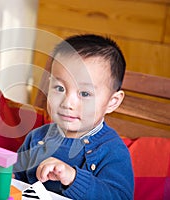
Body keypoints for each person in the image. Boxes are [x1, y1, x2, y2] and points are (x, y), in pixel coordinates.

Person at [13, 34, 134, 200]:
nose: (67, 103)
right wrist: (1, 175)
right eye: (59, 88)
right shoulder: (37, 137)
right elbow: (16, 179)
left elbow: (120, 197)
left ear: (112, 102)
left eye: (84, 93)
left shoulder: (112, 150)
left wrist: (74, 179)